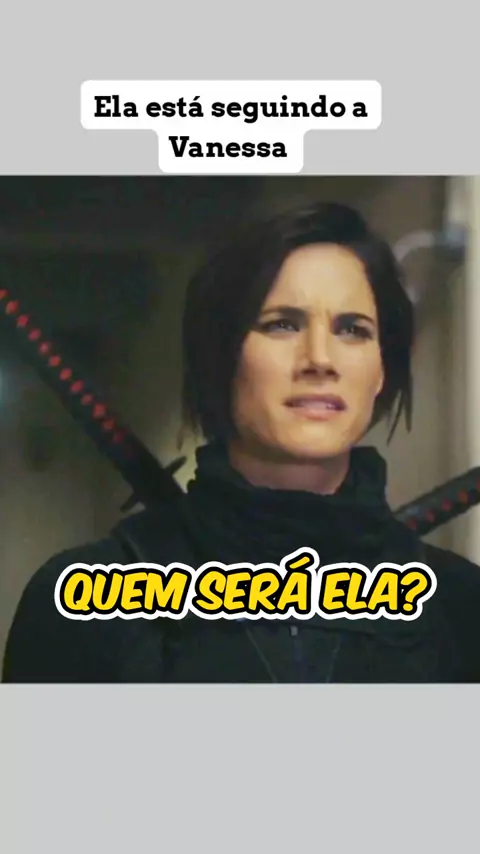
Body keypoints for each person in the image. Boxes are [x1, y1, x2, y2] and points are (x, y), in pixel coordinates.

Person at [3, 201, 480, 683]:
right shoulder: (84, 602)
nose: (320, 359)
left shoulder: (458, 606)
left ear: (381, 370)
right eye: (282, 324)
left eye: (352, 330)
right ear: (222, 354)